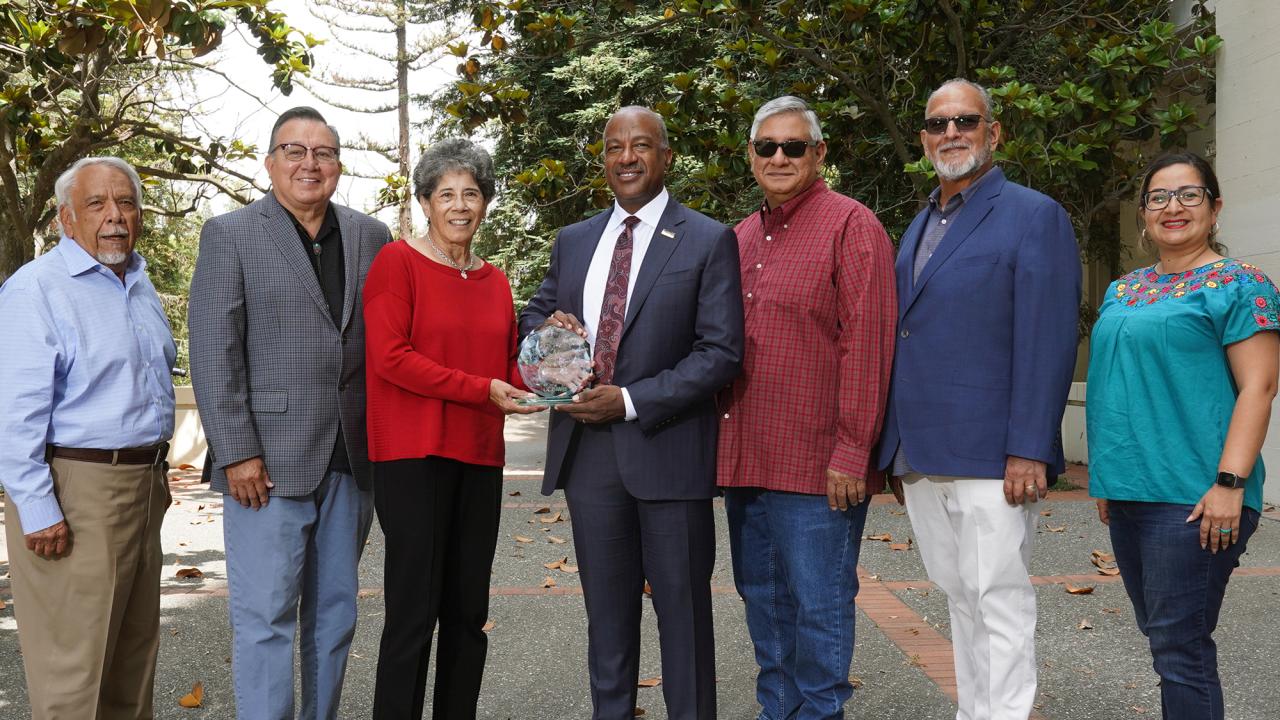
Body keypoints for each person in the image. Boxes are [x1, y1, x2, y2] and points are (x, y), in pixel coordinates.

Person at [519, 106, 744, 720]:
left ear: (665, 157)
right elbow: (532, 315)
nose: (627, 157)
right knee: (607, 622)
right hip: (590, 458)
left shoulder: (706, 238)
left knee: (684, 618)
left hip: (668, 452)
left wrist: (631, 399)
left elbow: (720, 352)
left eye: (641, 145)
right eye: (615, 147)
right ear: (604, 160)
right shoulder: (575, 240)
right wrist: (548, 327)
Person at [876, 78, 1081, 720]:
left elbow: (1047, 341)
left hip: (993, 453)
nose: (951, 134)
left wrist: (1029, 449)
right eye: (938, 124)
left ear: (994, 133)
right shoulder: (921, 222)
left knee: (999, 597)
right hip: (922, 452)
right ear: (924, 139)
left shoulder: (1033, 214)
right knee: (960, 596)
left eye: (966, 121)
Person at [188, 106, 391, 719]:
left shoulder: (370, 236)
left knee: (335, 617)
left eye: (323, 152)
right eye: (294, 151)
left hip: (351, 461)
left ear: (338, 165)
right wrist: (236, 451)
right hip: (265, 467)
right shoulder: (230, 234)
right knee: (265, 618)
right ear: (271, 162)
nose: (310, 163)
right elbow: (214, 351)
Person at [717, 95, 896, 720]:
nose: (780, 157)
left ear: (818, 154)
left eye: (794, 146)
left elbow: (867, 345)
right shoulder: (736, 238)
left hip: (820, 466)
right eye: (767, 147)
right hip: (746, 462)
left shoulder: (852, 226)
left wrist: (853, 450)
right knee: (763, 606)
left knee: (819, 611)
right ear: (751, 157)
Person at [1087, 152, 1278, 720]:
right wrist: (1106, 478)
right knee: (1165, 637)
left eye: (1190, 195)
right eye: (1159, 198)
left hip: (1196, 497)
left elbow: (1260, 388)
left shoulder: (1242, 285)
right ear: (1144, 214)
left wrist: (1229, 483)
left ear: (1215, 208)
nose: (1173, 207)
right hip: (1128, 491)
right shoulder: (1122, 290)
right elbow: (1116, 388)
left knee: (1181, 649)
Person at [362, 138, 542, 719]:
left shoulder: (495, 279)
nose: (460, 206)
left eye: (472, 193)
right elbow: (390, 356)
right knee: (414, 612)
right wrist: (481, 389)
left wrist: (551, 367)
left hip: (480, 455)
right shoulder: (398, 263)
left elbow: (508, 363)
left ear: (486, 202)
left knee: (468, 612)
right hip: (413, 457)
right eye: (446, 195)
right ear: (425, 203)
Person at [0, 156, 175, 718]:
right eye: (96, 204)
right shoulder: (36, 291)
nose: (114, 217)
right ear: (64, 218)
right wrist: (37, 506)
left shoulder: (140, 285)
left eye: (125, 203)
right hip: (76, 490)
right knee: (73, 675)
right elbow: (12, 412)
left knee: (131, 664)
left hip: (145, 484)